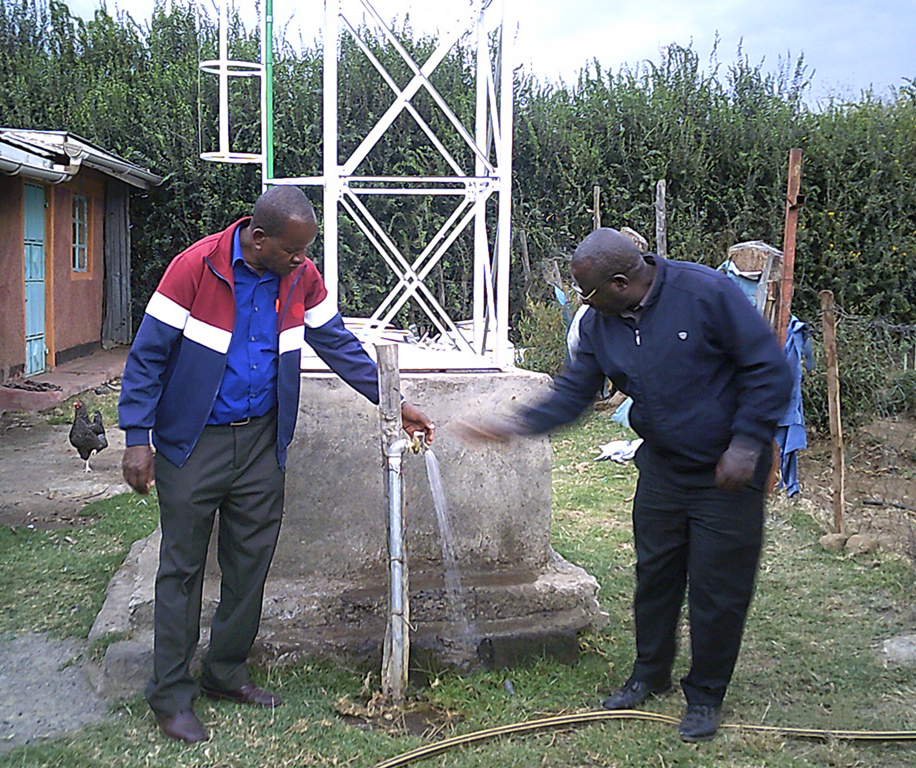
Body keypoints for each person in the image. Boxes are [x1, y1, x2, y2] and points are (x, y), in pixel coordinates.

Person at [118, 185, 435, 744]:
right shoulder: (195, 268)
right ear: (258, 238)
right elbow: (148, 354)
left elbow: (337, 343)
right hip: (193, 443)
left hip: (263, 443)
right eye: (293, 250)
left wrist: (395, 401)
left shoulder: (300, 277)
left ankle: (225, 673)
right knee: (182, 568)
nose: (302, 260)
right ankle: (169, 695)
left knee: (249, 564)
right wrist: (137, 436)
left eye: (305, 251)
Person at [461, 227, 790, 743]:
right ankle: (649, 674)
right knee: (655, 576)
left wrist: (748, 443)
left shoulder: (706, 294)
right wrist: (514, 425)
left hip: (728, 473)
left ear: (620, 282)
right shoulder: (599, 324)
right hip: (662, 466)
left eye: (586, 291)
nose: (581, 302)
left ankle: (705, 696)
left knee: (717, 589)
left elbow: (768, 368)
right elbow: (575, 393)